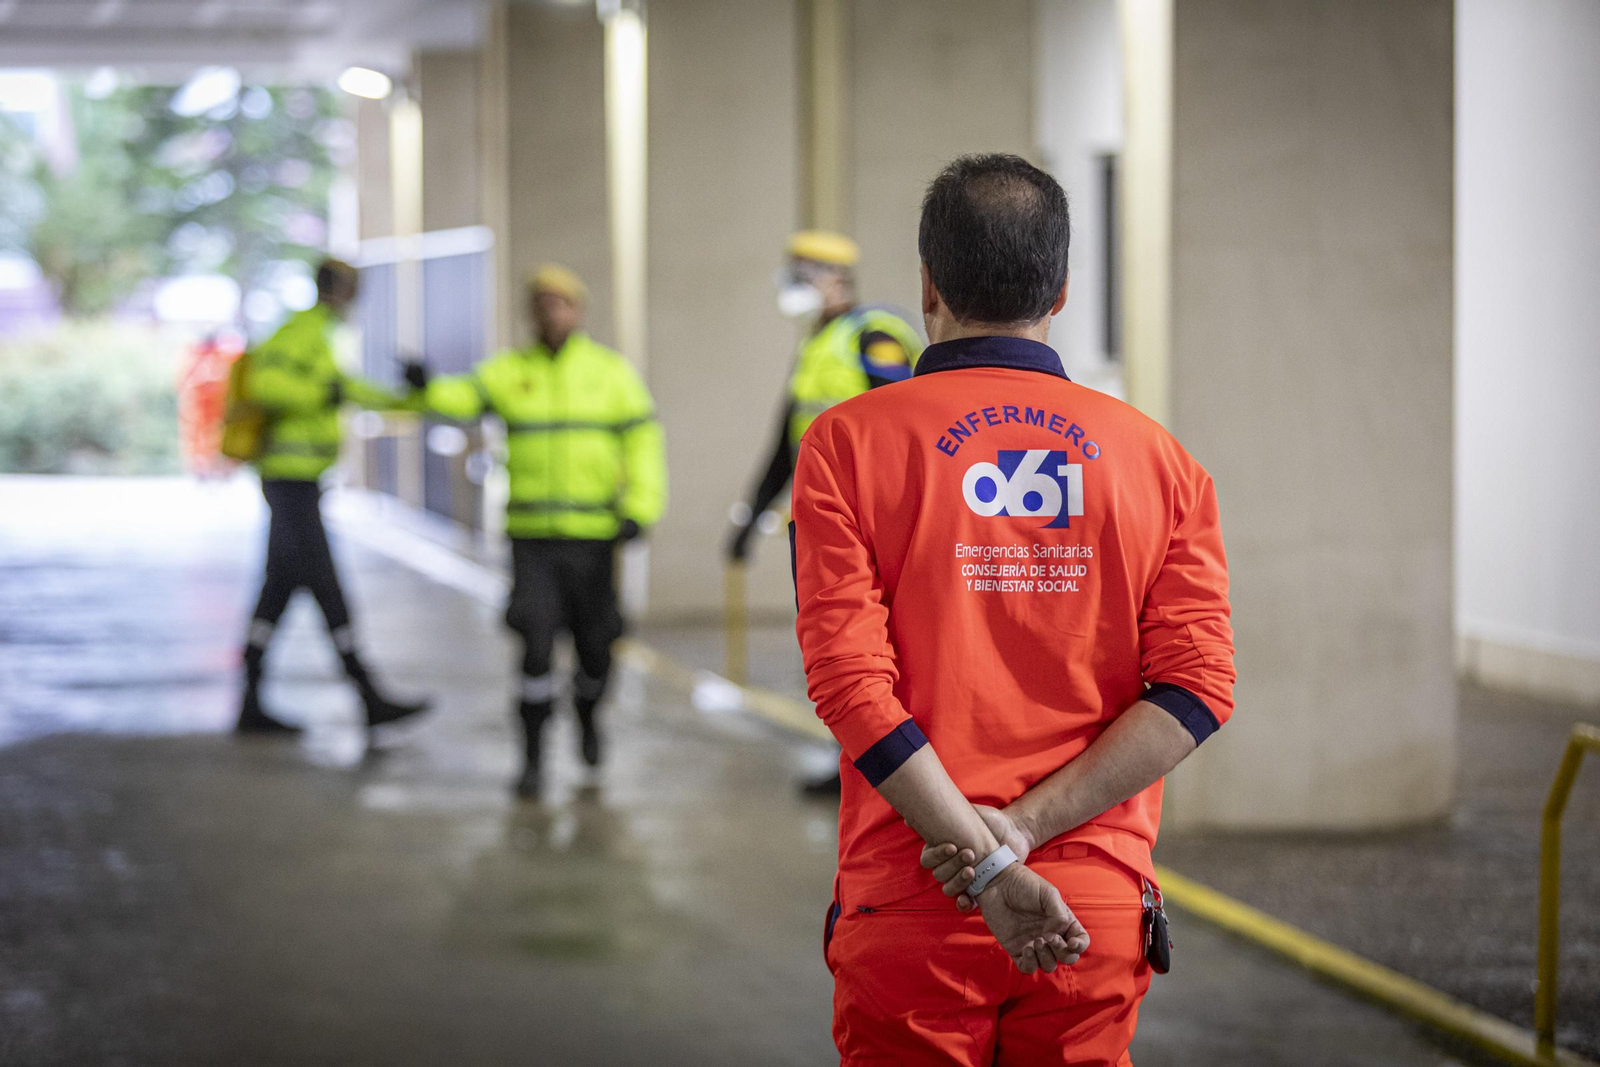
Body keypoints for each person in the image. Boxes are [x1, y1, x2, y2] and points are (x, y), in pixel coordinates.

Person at [792, 154, 1236, 1065]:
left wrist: (989, 860)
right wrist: (1026, 830)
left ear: (927, 283)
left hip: (919, 883)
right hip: (1092, 903)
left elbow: (849, 684)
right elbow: (1198, 689)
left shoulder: (849, 444)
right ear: (1063, 288)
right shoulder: (1160, 461)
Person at [406, 265, 666, 799]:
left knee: (598, 647)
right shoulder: (509, 372)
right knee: (535, 649)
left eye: (562, 302)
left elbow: (644, 444)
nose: (552, 312)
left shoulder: (610, 374)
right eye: (542, 303)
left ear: (579, 310)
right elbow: (461, 398)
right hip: (532, 543)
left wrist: (641, 507)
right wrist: (425, 387)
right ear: (531, 311)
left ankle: (589, 718)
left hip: (595, 539)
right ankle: (530, 757)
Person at [727, 229, 924, 796]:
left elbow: (904, 424)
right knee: (838, 645)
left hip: (871, 521)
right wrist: (748, 517)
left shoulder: (875, 335)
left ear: (834, 278)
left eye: (802, 273)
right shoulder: (820, 341)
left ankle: (898, 772)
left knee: (881, 645)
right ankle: (862, 765)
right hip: (821, 521)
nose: (793, 285)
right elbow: (784, 439)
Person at [239, 258, 432, 734]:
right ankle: (367, 692)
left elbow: (347, 391)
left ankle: (250, 698)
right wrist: (318, 394)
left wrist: (413, 397)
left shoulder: (322, 335)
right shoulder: (303, 331)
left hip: (301, 483)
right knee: (325, 586)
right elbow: (268, 385)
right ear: (341, 289)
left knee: (279, 588)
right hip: (290, 482)